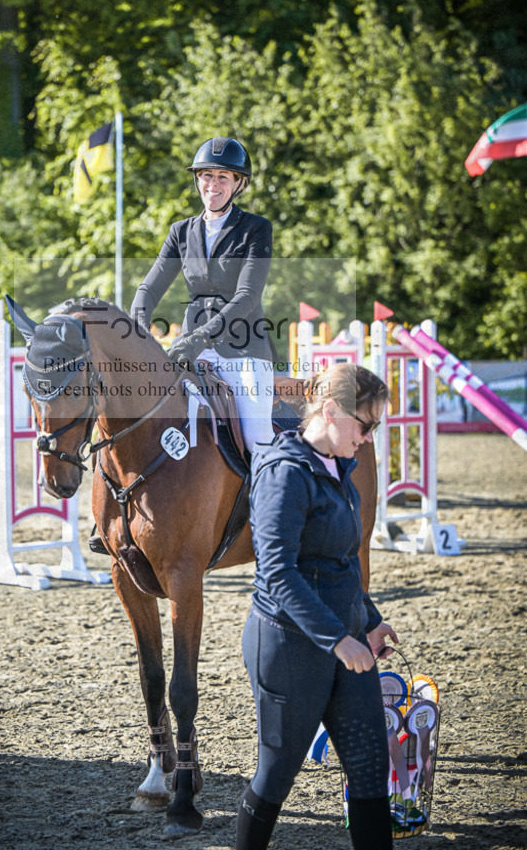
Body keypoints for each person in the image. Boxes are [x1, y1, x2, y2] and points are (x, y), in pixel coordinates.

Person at [236, 362, 398, 850]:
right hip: (289, 646)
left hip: (347, 640)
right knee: (277, 775)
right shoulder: (284, 473)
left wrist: (368, 620)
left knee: (371, 767)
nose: (369, 438)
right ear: (330, 410)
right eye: (365, 425)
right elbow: (278, 574)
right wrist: (337, 638)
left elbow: (343, 561)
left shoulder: (339, 467)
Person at [130, 136, 275, 454]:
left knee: (256, 436)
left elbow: (248, 296)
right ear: (197, 180)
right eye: (206, 175)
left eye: (223, 176)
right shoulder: (181, 232)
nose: (213, 184)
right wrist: (136, 327)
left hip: (243, 351)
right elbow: (149, 288)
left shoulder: (255, 229)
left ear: (238, 184)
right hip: (190, 349)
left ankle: (271, 499)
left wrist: (200, 339)